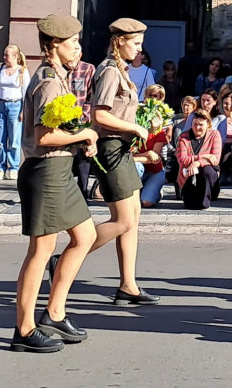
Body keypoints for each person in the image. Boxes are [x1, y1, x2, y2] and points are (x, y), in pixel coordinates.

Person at [12, 14, 97, 353]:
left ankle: (55, 312)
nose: (77, 47)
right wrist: (87, 133)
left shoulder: (59, 77)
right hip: (45, 171)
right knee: (41, 250)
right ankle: (24, 329)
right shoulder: (48, 80)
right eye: (72, 42)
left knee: (86, 236)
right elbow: (44, 137)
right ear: (53, 46)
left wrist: (78, 138)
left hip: (60, 170)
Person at [86, 18, 160, 307]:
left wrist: (143, 117)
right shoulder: (108, 71)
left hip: (123, 148)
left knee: (134, 218)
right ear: (120, 41)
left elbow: (120, 109)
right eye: (136, 43)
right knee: (123, 220)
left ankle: (128, 286)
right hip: (110, 148)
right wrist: (134, 128)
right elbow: (99, 115)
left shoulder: (121, 70)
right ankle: (68, 256)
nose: (139, 50)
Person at [0, 45, 30, 181]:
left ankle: (13, 167)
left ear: (15, 56)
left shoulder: (22, 71)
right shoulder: (0, 69)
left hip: (15, 105)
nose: (4, 57)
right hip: (0, 104)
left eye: (7, 55)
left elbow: (26, 92)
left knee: (14, 138)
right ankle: (0, 167)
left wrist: (23, 110)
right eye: (4, 54)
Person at [134, 85, 171, 208]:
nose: (152, 99)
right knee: (136, 166)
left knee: (146, 202)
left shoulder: (160, 131)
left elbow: (154, 157)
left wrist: (139, 156)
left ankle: (154, 192)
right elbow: (127, 156)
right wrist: (145, 154)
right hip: (137, 168)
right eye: (150, 95)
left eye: (156, 96)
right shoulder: (134, 127)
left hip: (154, 170)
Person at [176, 110, 222, 209]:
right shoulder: (183, 137)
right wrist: (204, 156)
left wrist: (197, 163)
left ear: (208, 124)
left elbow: (215, 159)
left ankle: (206, 199)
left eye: (201, 125)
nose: (197, 128)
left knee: (207, 170)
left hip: (207, 174)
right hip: (188, 173)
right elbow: (182, 160)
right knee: (190, 205)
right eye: (195, 124)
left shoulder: (215, 135)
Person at [67, 55, 97, 198]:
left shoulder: (87, 68)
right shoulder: (59, 69)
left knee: (83, 157)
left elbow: (91, 96)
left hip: (82, 119)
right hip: (63, 120)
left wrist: (86, 116)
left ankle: (83, 192)